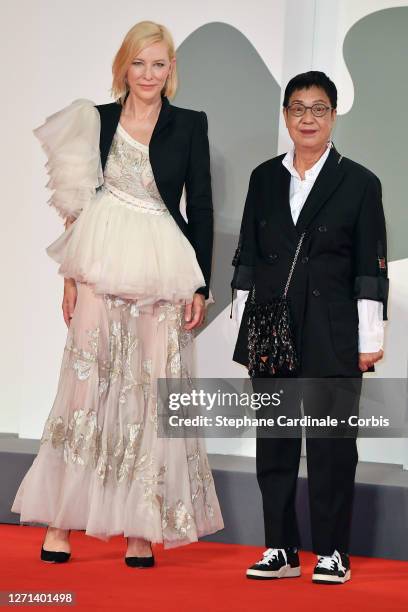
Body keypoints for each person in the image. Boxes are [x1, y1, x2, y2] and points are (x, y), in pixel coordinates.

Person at [11, 20, 224, 567]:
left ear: (171, 69)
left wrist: (199, 280)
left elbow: (200, 205)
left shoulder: (190, 124)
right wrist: (69, 278)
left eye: (159, 64)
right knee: (85, 388)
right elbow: (79, 203)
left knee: (151, 392)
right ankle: (60, 520)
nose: (149, 74)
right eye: (139, 63)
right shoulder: (96, 119)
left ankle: (139, 525)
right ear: (122, 67)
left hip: (164, 267)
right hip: (100, 265)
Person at [232, 71, 388, 584]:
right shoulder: (263, 178)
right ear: (285, 115)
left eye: (318, 108)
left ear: (334, 115)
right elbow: (249, 257)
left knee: (331, 443)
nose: (307, 119)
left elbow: (369, 266)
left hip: (332, 330)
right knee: (273, 439)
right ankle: (279, 547)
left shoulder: (360, 183)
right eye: (297, 108)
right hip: (272, 326)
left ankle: (332, 552)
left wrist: (369, 339)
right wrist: (245, 326)